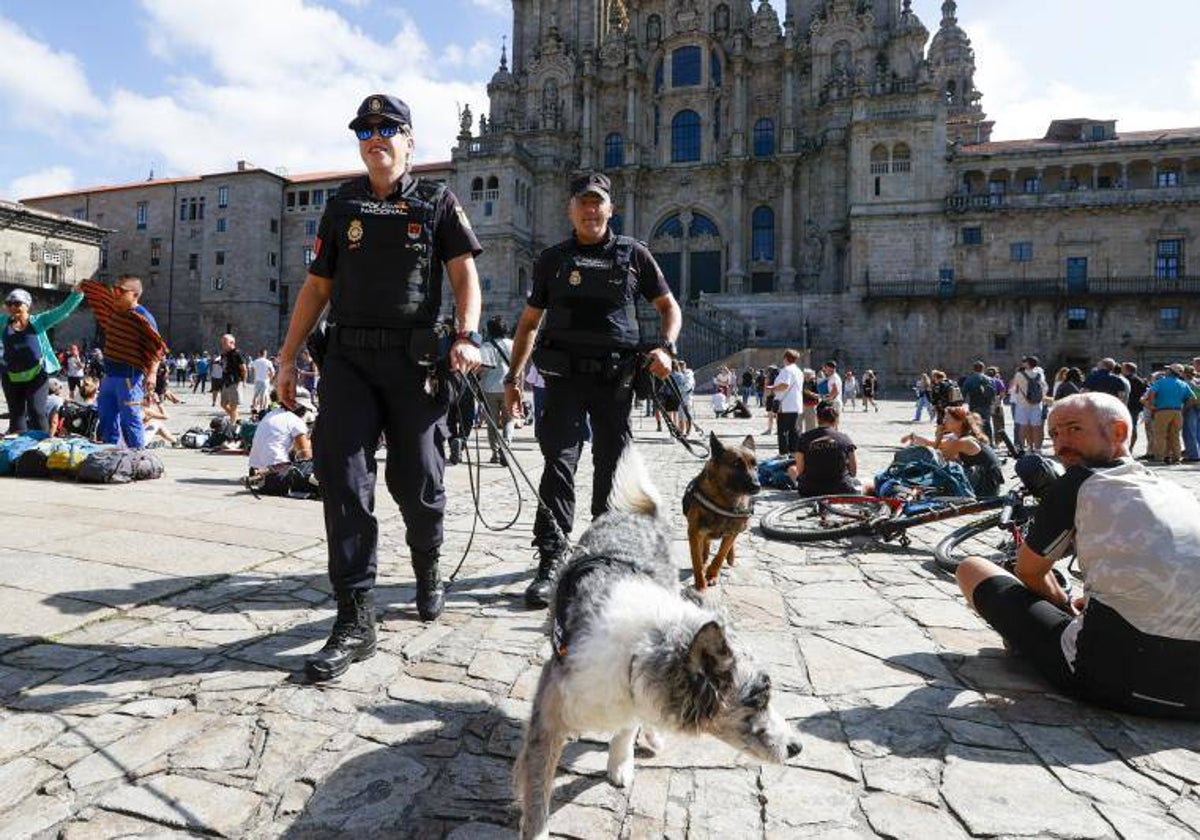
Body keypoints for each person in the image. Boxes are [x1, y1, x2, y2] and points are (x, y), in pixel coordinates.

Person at [274, 93, 484, 681]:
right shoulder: (342, 205)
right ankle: (355, 616)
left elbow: (465, 275)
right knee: (341, 477)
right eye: (366, 131)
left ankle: (426, 563)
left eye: (388, 128)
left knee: (417, 478)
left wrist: (466, 335)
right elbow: (317, 288)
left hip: (415, 364)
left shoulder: (438, 201)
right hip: (349, 361)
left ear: (409, 141)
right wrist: (289, 359)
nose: (376, 138)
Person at [955, 393, 1200, 719]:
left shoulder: (1079, 481)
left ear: (1118, 433)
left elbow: (1029, 572)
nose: (1060, 444)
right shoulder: (1176, 491)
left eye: (1074, 429)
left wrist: (1063, 605)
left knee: (972, 568)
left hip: (1119, 681)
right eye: (1054, 434)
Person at [502, 170, 679, 609]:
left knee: (611, 468)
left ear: (610, 208)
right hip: (562, 379)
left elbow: (667, 306)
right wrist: (513, 377)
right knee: (557, 465)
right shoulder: (553, 259)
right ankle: (552, 556)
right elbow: (528, 323)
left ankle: (602, 555)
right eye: (583, 201)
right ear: (571, 208)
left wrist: (668, 348)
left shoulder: (634, 255)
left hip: (615, 379)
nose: (590, 209)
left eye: (598, 201)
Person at [79, 275, 167, 449]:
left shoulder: (143, 317)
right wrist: (84, 286)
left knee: (130, 418)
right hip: (109, 376)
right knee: (106, 416)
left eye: (120, 291)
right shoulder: (114, 311)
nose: (115, 293)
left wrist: (152, 374)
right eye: (114, 289)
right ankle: (109, 451)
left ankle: (137, 455)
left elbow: (157, 348)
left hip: (130, 378)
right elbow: (100, 296)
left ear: (134, 295)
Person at [1, 285, 85, 433]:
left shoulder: (39, 321)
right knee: (16, 418)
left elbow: (62, 311)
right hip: (11, 378)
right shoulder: (3, 322)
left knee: (36, 412)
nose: (12, 307)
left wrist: (76, 294)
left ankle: (41, 450)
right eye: (9, 304)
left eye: (17, 303)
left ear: (27, 305)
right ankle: (18, 453)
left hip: (36, 376)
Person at [904, 404, 1004, 497]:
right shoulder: (960, 437)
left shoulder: (963, 441)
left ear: (959, 422)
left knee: (941, 473)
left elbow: (938, 457)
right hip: (984, 480)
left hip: (986, 486)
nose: (944, 421)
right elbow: (932, 444)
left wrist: (939, 435)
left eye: (947, 418)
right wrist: (914, 437)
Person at [789, 401, 860, 496]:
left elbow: (800, 470)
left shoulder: (804, 438)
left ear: (817, 418)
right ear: (836, 420)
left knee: (791, 469)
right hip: (841, 489)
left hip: (810, 490)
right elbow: (853, 471)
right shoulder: (845, 439)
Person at [249, 389, 314, 474]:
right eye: (305, 407)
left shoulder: (270, 414)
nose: (305, 410)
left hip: (255, 468)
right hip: (278, 471)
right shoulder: (295, 420)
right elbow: (305, 454)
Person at [478, 315, 514, 466]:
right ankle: (506, 446)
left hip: (489, 388)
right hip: (508, 387)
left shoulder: (485, 346)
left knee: (492, 422)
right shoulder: (513, 344)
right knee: (509, 419)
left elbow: (481, 369)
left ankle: (495, 452)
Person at [1143, 363, 1193, 464]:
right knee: (1175, 436)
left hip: (1162, 411)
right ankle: (1176, 458)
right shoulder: (1183, 384)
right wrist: (1183, 409)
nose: (1166, 371)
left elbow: (1152, 392)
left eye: (1168, 369)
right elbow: (1192, 399)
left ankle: (1160, 457)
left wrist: (1152, 405)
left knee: (1160, 435)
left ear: (1171, 372)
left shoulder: (1161, 382)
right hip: (1177, 412)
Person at [768, 349, 803, 456]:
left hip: (786, 405)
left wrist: (772, 389)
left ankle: (783, 454)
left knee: (782, 431)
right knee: (793, 431)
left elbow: (785, 385)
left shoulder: (786, 370)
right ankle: (794, 453)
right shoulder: (798, 371)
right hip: (795, 404)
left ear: (785, 358)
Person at [1011, 356, 1048, 453]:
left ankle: (1023, 447)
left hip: (1023, 404)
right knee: (1036, 427)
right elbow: (1044, 388)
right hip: (1036, 404)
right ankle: (1037, 448)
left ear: (1027, 363)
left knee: (1023, 427)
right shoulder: (1039, 374)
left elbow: (1013, 388)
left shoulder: (1019, 374)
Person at [218, 334, 248, 424]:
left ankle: (233, 425)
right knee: (223, 404)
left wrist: (243, 381)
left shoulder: (237, 353)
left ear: (232, 343)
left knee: (233, 406)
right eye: (222, 342)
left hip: (235, 381)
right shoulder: (224, 354)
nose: (222, 345)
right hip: (226, 381)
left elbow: (244, 368)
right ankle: (235, 418)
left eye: (224, 342)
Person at [249, 349, 276, 413]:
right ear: (265, 354)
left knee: (255, 395)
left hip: (257, 380)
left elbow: (250, 367)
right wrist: (270, 378)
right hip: (265, 380)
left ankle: (254, 408)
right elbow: (272, 372)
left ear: (259, 354)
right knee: (263, 395)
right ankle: (261, 409)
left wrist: (254, 374)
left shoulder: (256, 361)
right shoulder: (268, 362)